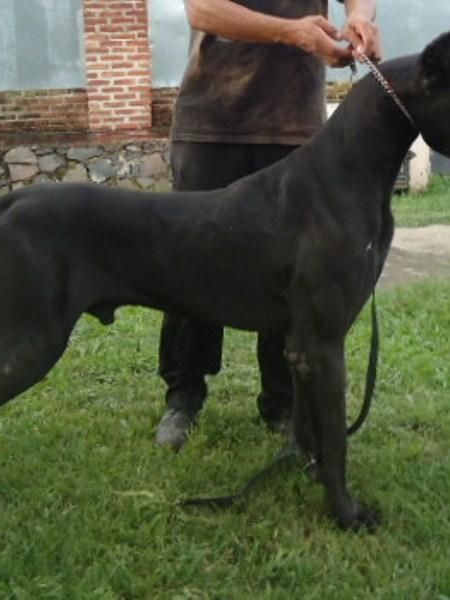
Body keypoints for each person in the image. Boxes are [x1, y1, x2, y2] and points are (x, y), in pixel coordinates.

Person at [155, 0, 382, 450]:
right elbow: (202, 10)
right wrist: (292, 32)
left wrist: (360, 17)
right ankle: (183, 395)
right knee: (193, 263)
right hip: (212, 122)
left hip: (294, 128)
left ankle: (282, 401)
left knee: (294, 270)